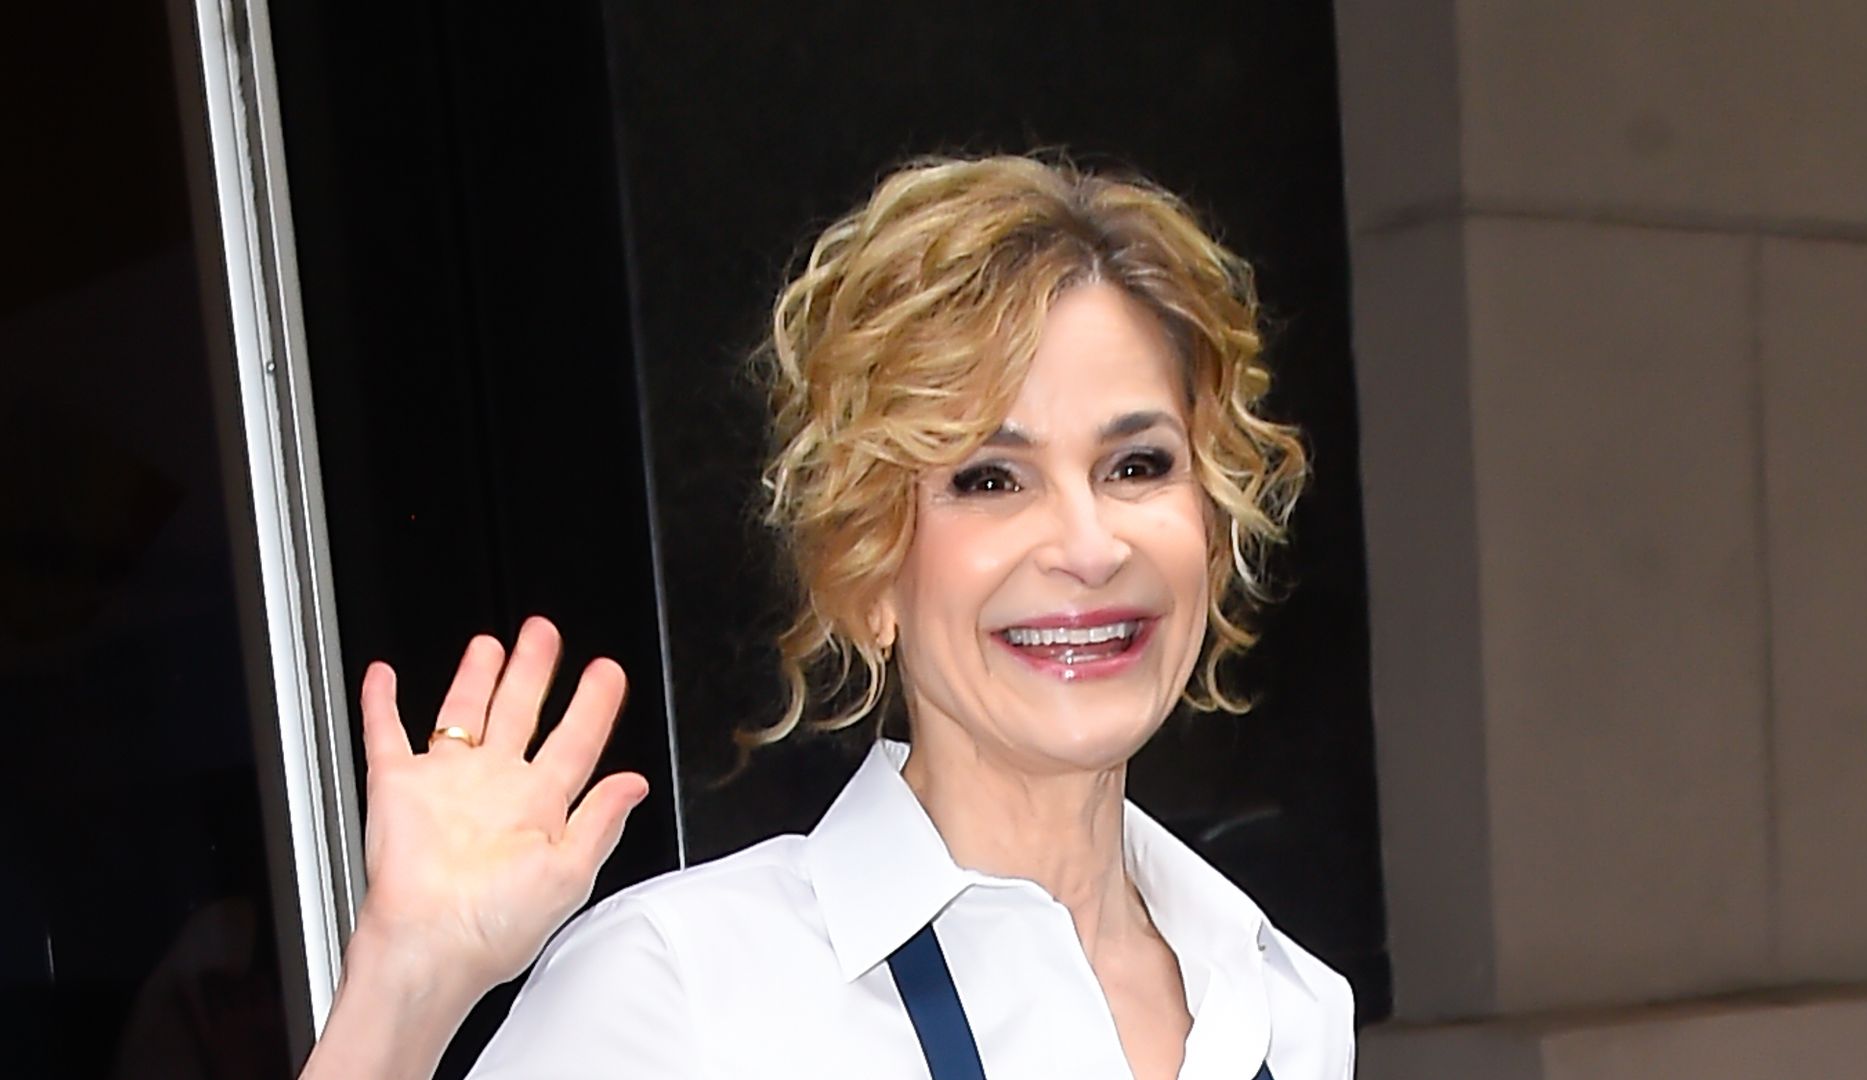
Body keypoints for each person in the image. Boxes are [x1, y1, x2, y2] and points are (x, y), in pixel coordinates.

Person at [299, 154, 1354, 1080]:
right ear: (867, 574)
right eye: (991, 478)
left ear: (1210, 534)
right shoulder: (691, 989)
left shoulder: (1283, 1009)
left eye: (1137, 465)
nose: (1087, 545)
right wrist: (408, 984)